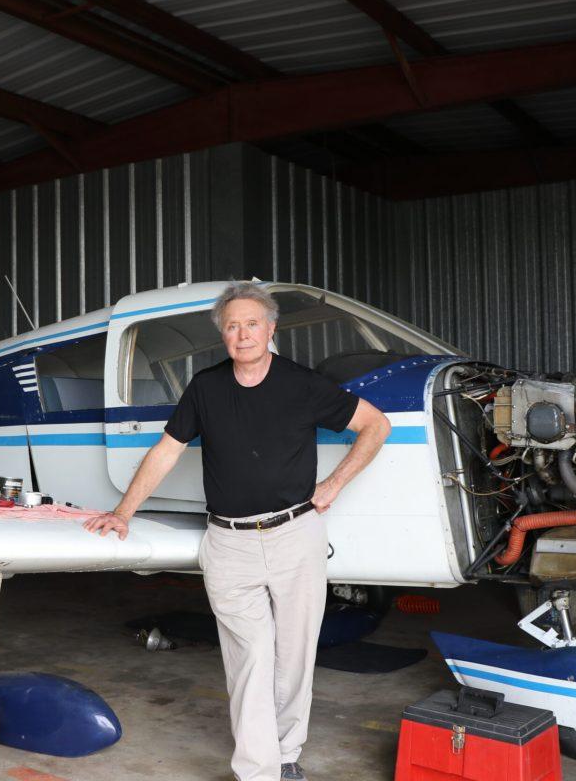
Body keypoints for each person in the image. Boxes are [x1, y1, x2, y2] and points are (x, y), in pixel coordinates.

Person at [84, 281, 390, 781]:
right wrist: (123, 512)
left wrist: (334, 483)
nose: (242, 334)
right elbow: (165, 451)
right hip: (228, 543)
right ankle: (259, 772)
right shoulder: (205, 388)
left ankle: (287, 754)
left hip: (296, 536)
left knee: (293, 657)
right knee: (250, 659)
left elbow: (375, 425)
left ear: (271, 330)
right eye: (232, 326)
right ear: (222, 336)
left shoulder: (302, 384)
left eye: (251, 324)